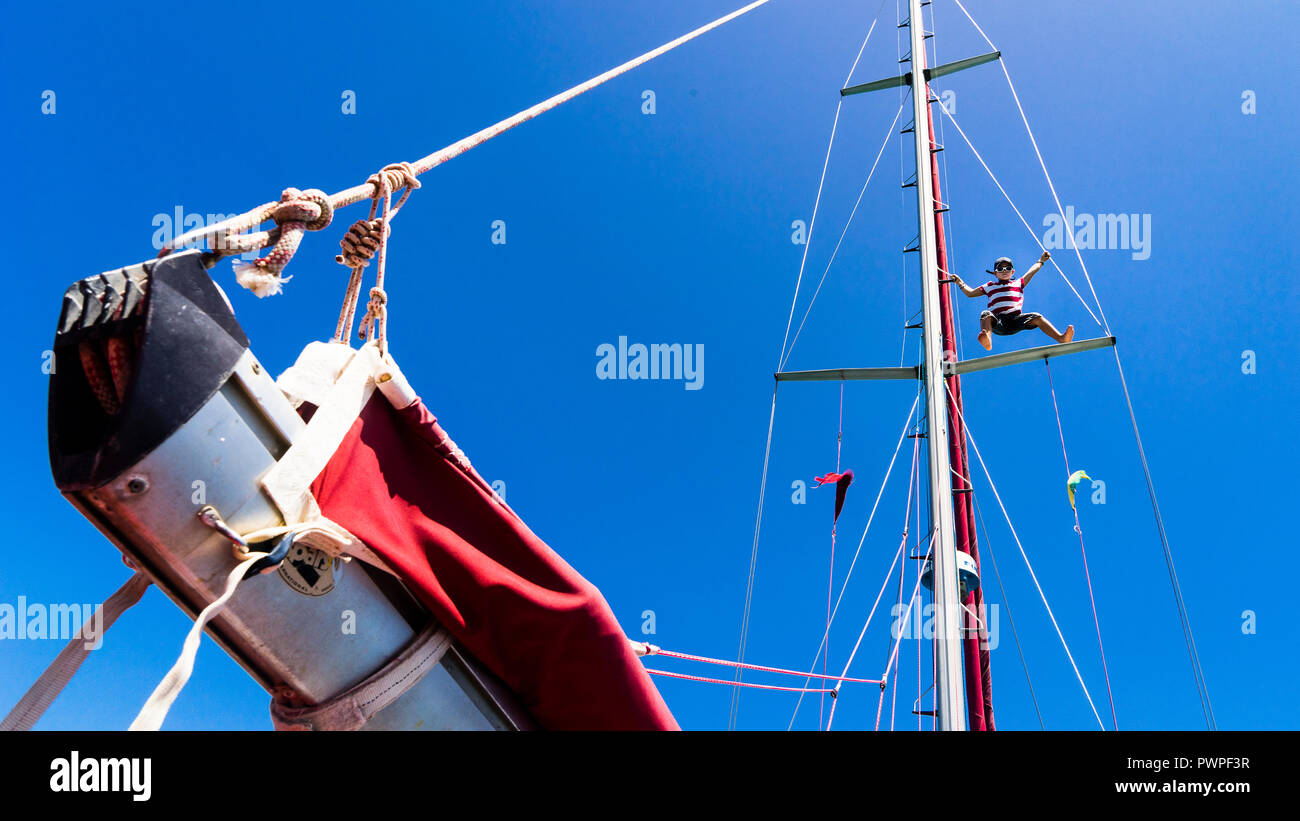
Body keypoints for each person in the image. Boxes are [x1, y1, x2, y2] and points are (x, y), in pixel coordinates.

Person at [949, 251, 1074, 351]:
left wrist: (1041, 261)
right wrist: (959, 282)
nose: (1004, 271)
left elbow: (1032, 271)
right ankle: (987, 340)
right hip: (998, 322)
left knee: (1037, 317)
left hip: (1016, 320)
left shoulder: (1018, 283)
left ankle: (1061, 338)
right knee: (985, 314)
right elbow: (970, 293)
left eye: (1007, 268)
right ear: (995, 273)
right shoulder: (989, 286)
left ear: (1012, 271)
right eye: (1000, 268)